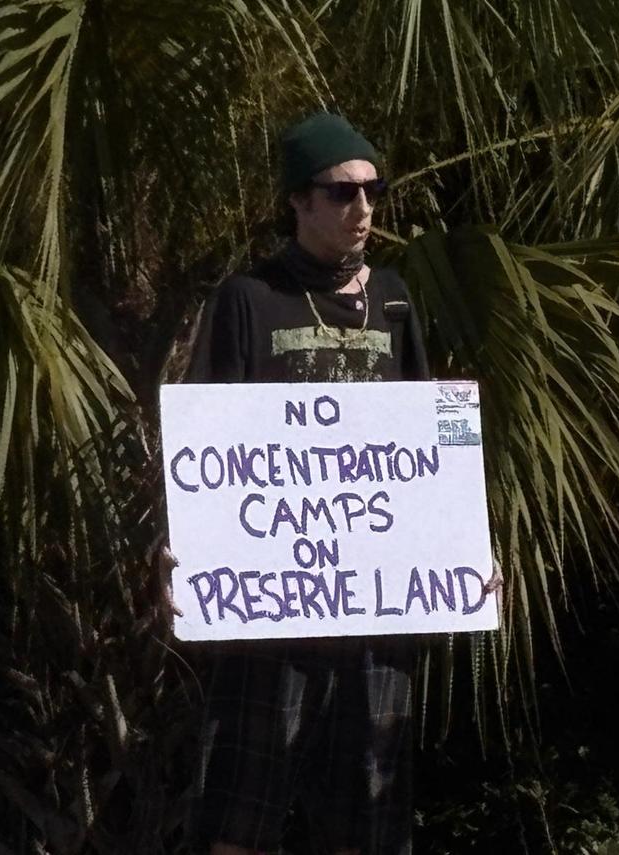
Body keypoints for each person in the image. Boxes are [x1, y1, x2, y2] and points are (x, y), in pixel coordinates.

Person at [184, 112, 427, 855]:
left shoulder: (394, 300)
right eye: (342, 192)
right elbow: (207, 442)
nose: (363, 208)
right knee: (242, 814)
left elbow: (428, 445)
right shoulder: (249, 297)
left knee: (366, 818)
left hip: (376, 605)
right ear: (298, 200)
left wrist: (465, 548)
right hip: (271, 606)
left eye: (373, 191)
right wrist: (185, 550)